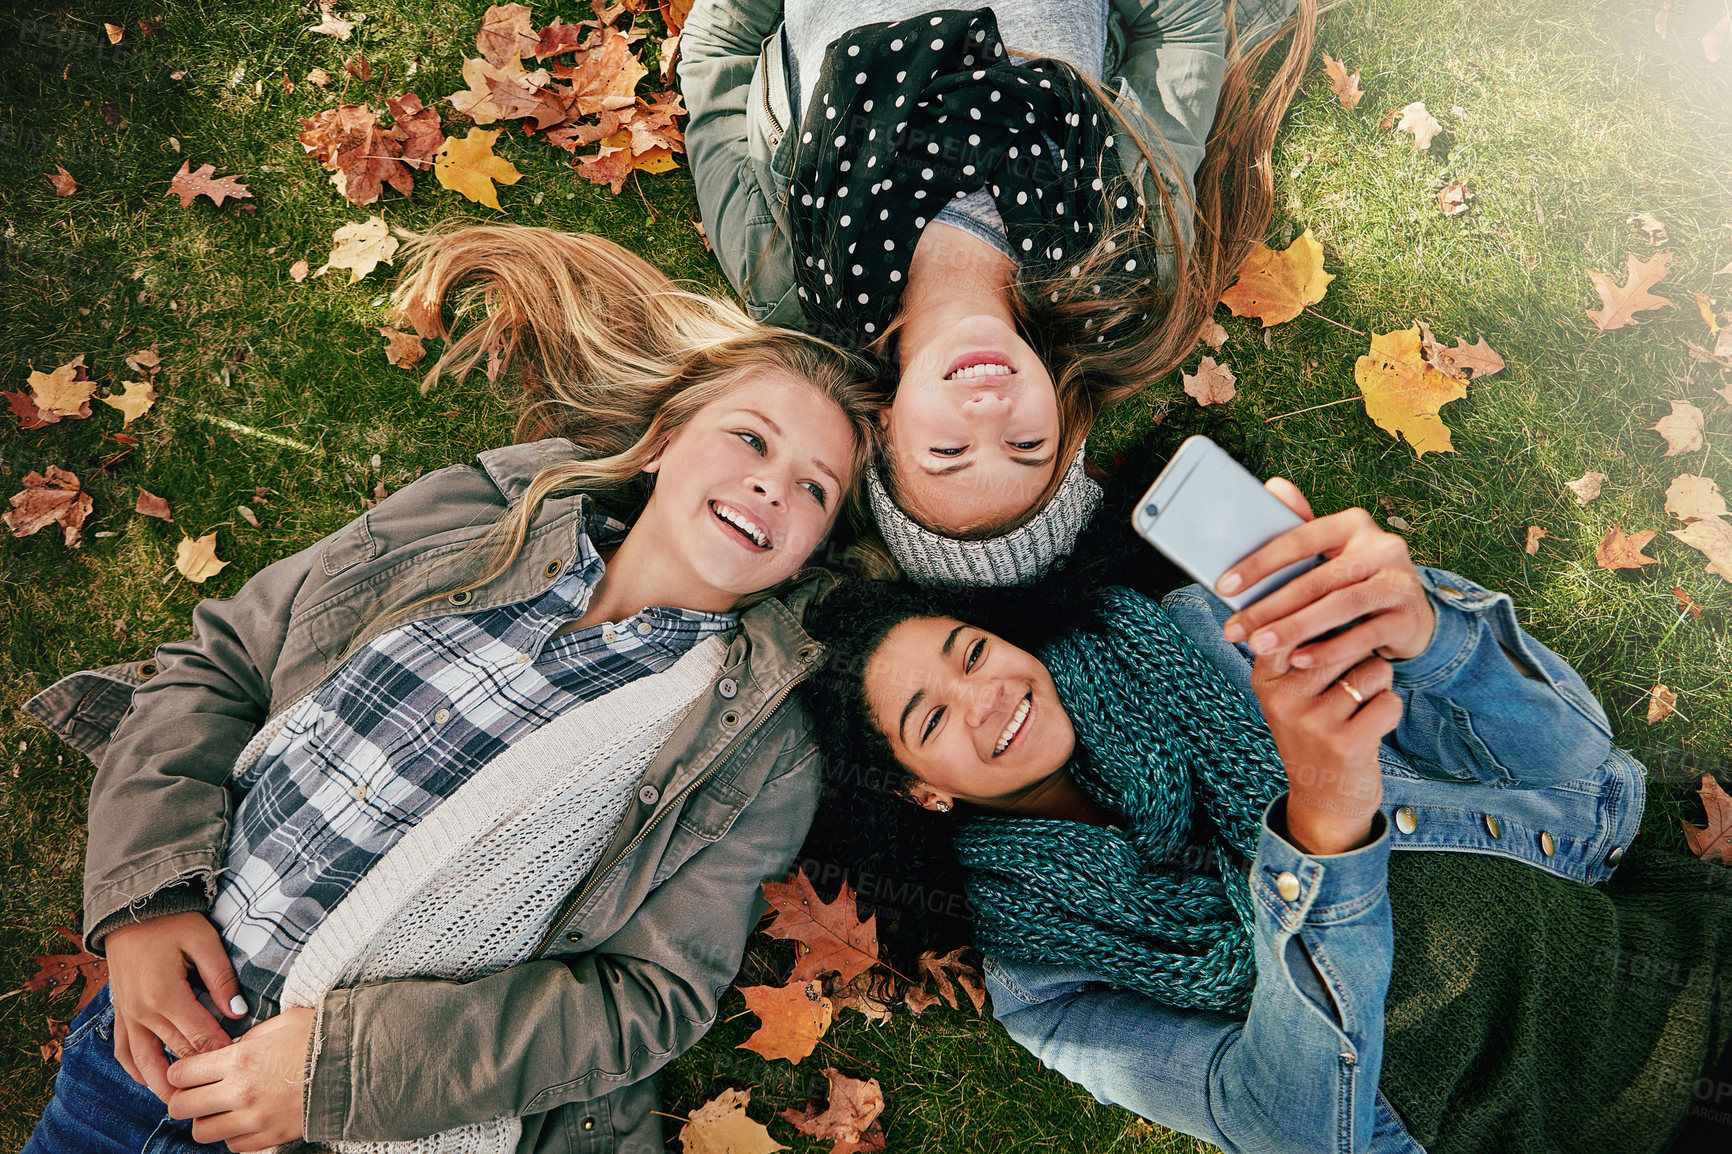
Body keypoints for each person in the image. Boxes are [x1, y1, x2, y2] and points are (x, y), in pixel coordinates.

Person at [20, 227, 879, 1154]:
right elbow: (224, 659)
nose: (769, 484)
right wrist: (145, 905)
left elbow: (645, 998)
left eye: (814, 488)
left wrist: (334, 1079)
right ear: (662, 442)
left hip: (356, 1123)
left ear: (813, 546)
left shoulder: (761, 748)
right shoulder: (476, 513)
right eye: (750, 437)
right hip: (148, 1049)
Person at [802, 477, 1732, 1153]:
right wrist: (1324, 825)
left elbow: (1584, 780)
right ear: (922, 790)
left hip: (1691, 971)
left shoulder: (1200, 633)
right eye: (931, 719)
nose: (984, 697)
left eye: (971, 653)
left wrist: (1434, 636)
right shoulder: (1042, 980)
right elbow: (1282, 1124)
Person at [681, 0, 1313, 584]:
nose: (988, 412)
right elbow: (1182, 31)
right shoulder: (1115, 253)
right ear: (1061, 420)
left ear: (883, 427)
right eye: (1027, 446)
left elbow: (719, 54)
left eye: (948, 450)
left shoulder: (792, 278)